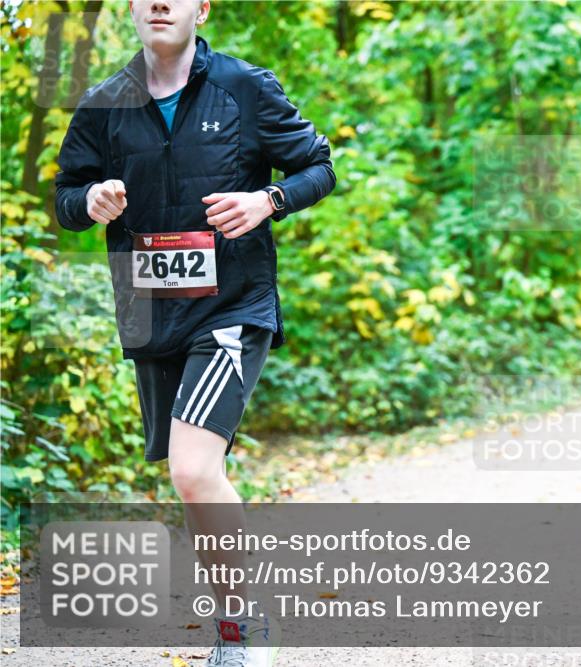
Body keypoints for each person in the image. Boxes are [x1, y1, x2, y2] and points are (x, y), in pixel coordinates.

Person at [53, 1, 336, 665]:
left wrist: (268, 200)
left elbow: (320, 165)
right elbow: (67, 197)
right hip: (153, 315)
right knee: (196, 479)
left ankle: (242, 629)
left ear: (199, 7)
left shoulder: (245, 87)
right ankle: (237, 619)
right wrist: (89, 202)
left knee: (192, 468)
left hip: (233, 307)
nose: (158, 3)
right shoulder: (104, 104)